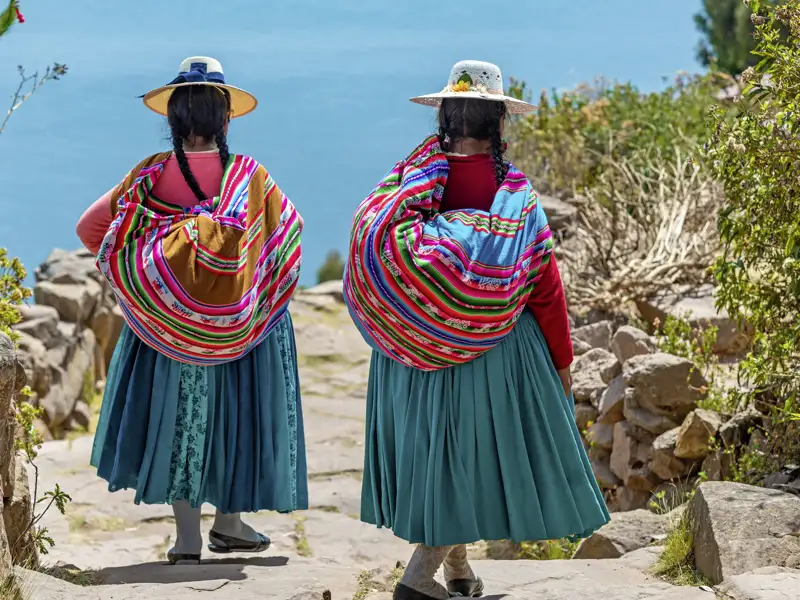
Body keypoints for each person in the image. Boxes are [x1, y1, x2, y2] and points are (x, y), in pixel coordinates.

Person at [344, 60, 610, 600]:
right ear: (499, 125)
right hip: (493, 352)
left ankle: (459, 569)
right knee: (471, 459)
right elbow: (545, 287)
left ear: (444, 119)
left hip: (414, 353)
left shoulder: (409, 182)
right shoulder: (513, 196)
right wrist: (562, 362)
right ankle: (419, 578)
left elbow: (373, 242)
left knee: (440, 457)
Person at [76, 56, 307, 565]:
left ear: (173, 119)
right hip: (243, 332)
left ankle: (187, 539)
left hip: (167, 333)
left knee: (179, 419)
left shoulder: (148, 178)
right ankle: (230, 522)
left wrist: (148, 282)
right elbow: (288, 238)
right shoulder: (250, 178)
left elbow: (90, 229)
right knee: (236, 415)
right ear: (226, 120)